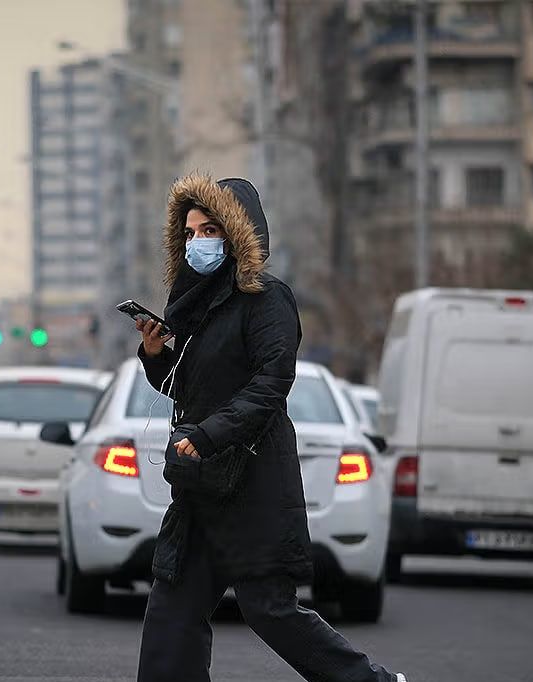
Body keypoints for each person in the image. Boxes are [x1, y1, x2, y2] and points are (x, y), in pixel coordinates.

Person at [135, 174, 404, 682]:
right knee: (172, 612)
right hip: (199, 487)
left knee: (270, 611)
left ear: (239, 233)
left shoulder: (267, 299)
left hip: (251, 482)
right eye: (190, 233)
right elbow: (190, 388)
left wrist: (208, 434)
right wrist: (155, 356)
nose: (199, 242)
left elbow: (271, 382)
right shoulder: (196, 308)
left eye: (210, 229)